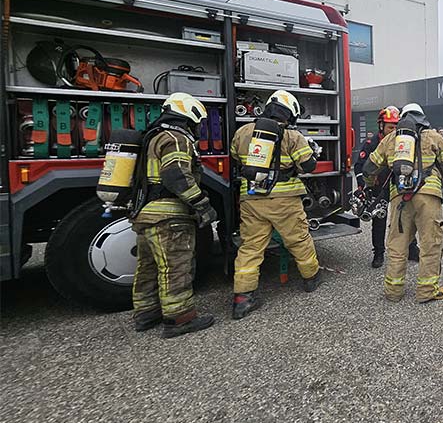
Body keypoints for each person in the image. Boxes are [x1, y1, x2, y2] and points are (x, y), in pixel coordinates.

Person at [129, 92, 216, 338]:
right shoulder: (176, 138)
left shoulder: (153, 137)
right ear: (190, 114)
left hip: (146, 214)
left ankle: (146, 313)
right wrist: (202, 204)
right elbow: (176, 175)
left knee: (148, 267)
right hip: (169, 217)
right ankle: (179, 319)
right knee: (176, 266)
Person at [229, 90, 321, 320]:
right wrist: (313, 153)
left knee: (250, 247)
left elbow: (235, 158)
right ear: (290, 112)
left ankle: (243, 298)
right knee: (298, 240)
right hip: (284, 201)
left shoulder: (243, 132)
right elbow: (308, 166)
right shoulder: (292, 136)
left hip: (251, 198)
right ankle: (311, 278)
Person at [363, 103, 443, 303]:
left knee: (398, 245)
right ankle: (426, 291)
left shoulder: (390, 139)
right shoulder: (433, 136)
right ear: (423, 118)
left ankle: (393, 291)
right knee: (430, 243)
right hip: (428, 197)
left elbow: (369, 168)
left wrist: (370, 186)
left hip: (399, 197)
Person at [353, 106, 420, 268]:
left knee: (405, 218)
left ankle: (411, 248)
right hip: (379, 188)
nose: (394, 130)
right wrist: (364, 185)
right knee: (379, 220)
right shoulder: (371, 144)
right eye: (391, 127)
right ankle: (378, 253)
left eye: (397, 126)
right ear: (381, 126)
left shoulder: (404, 142)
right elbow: (359, 167)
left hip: (398, 185)